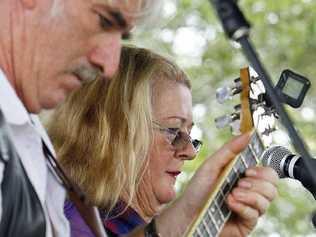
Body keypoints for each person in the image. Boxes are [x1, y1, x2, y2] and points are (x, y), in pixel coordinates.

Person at [48, 46, 279, 237]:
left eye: (190, 134)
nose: (189, 152)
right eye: (173, 130)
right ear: (114, 131)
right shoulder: (61, 220)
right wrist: (177, 221)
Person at [0, 1, 158, 236]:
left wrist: (186, 214)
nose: (109, 65)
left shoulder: (25, 129)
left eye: (121, 36)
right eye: (104, 21)